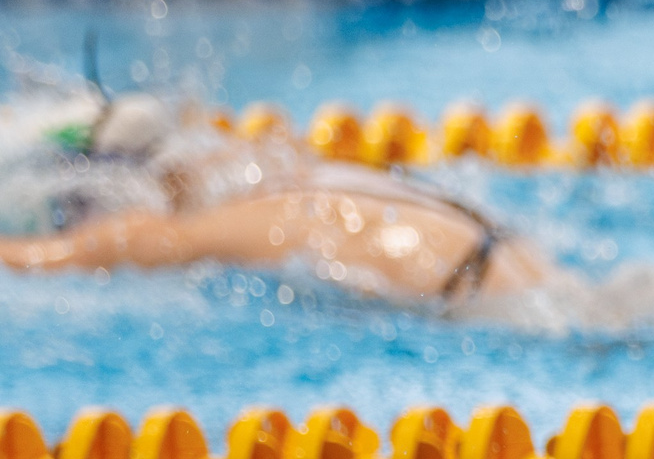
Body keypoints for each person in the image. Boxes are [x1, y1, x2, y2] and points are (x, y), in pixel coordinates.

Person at [0, 89, 547, 303]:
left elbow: (79, 251)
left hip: (472, 297)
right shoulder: (293, 169)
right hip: (518, 261)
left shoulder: (208, 224)